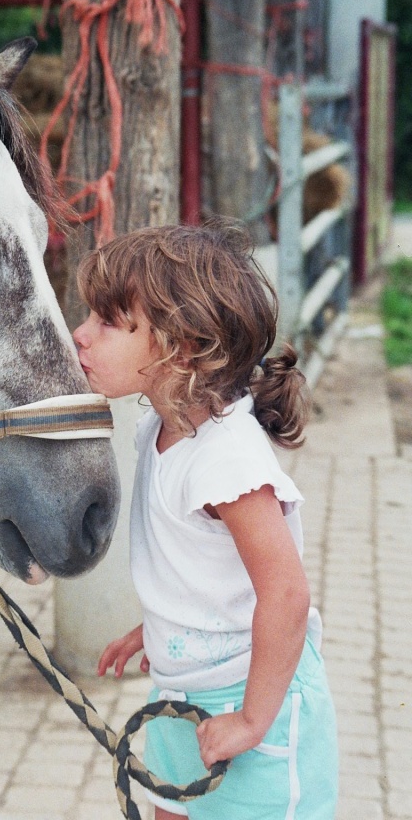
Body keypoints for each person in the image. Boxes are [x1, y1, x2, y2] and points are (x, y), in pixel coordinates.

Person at [73, 219, 338, 820]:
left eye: (108, 322)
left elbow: (287, 594)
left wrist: (251, 719)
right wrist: (159, 626)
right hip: (179, 695)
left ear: (181, 349)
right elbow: (198, 566)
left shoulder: (226, 459)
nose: (80, 335)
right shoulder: (159, 430)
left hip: (250, 704)